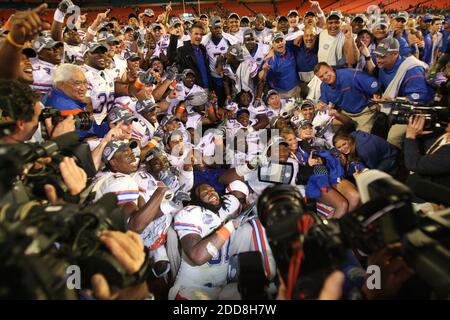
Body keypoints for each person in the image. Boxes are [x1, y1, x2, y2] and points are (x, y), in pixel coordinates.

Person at [372, 37, 435, 148]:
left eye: (382, 56)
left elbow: (421, 97)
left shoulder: (411, 70)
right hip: (395, 107)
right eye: (377, 56)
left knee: (393, 137)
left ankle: (397, 161)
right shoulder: (383, 66)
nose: (378, 60)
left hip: (415, 110)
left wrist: (393, 100)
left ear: (395, 54)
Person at [314, 61, 381, 133]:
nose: (325, 77)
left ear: (331, 68)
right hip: (346, 114)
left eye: (326, 72)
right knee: (332, 132)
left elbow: (374, 84)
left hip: (364, 112)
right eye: (321, 76)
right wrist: (320, 104)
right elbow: (323, 100)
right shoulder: (324, 86)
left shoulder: (350, 74)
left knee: (362, 139)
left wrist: (376, 92)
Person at [404, 115, 450, 190]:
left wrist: (410, 136)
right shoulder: (441, 133)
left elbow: (414, 164)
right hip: (412, 187)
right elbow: (411, 151)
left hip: (426, 197)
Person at [333, 130, 399, 176]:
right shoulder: (352, 135)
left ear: (349, 140)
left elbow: (370, 167)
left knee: (371, 178)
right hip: (385, 151)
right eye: (339, 147)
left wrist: (362, 170)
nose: (342, 148)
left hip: (390, 157)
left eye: (344, 144)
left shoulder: (363, 150)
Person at [258, 31, 301, 99]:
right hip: (280, 94)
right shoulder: (269, 58)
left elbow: (301, 33)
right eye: (277, 42)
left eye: (281, 40)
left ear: (285, 41)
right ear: (273, 44)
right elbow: (260, 77)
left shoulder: (290, 48)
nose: (280, 43)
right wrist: (264, 70)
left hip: (296, 89)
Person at [170, 23, 211, 91]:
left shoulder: (203, 49)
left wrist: (211, 87)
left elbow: (207, 70)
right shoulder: (182, 50)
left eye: (201, 34)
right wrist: (173, 38)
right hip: (192, 90)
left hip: (207, 88)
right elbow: (172, 58)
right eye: (196, 34)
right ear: (190, 34)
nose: (199, 36)